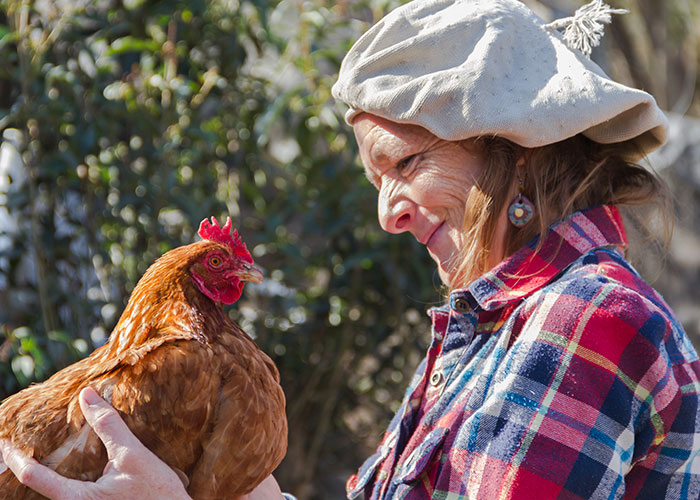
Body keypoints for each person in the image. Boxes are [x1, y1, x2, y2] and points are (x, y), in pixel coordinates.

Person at [2, 0, 699, 498]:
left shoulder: (585, 323)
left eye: (404, 164)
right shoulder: (496, 328)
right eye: (376, 180)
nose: (387, 215)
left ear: (513, 153)